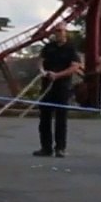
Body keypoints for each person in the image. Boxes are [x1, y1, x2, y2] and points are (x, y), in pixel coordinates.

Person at [33, 24, 82, 158]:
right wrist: (43, 71)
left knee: (61, 119)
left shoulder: (71, 48)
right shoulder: (49, 47)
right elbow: (40, 61)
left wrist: (58, 75)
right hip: (47, 86)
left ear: (66, 32)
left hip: (62, 87)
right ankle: (46, 148)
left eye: (61, 31)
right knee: (44, 118)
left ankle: (60, 148)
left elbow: (75, 67)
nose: (58, 33)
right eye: (56, 31)